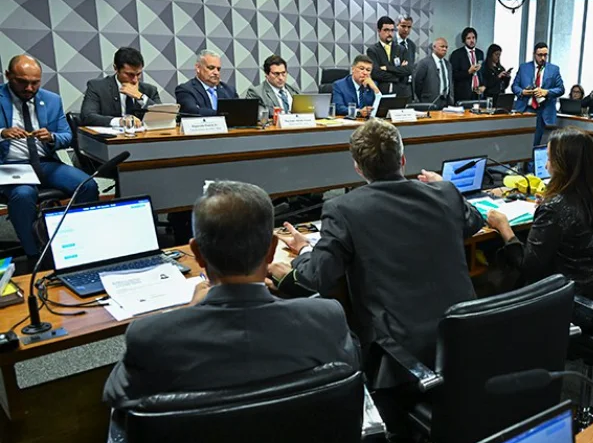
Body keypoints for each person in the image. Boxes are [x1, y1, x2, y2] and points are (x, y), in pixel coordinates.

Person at [269, 119, 483, 443]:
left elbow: (316, 278)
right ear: (403, 159)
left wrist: (304, 251)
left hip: (399, 347)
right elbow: (473, 222)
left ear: (358, 167)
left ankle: (399, 438)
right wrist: (441, 188)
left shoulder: (345, 209)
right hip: (464, 333)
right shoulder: (444, 192)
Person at [103, 180, 358, 405]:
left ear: (197, 253)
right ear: (271, 250)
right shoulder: (325, 317)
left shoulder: (151, 335)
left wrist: (189, 312)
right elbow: (352, 374)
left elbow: (117, 396)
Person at [485, 127, 593, 303]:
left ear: (564, 166)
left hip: (563, 299)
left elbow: (529, 268)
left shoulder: (554, 208)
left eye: (549, 159)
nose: (546, 165)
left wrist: (504, 227)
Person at [0, 55, 99, 259]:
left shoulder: (52, 99)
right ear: (8, 75)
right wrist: (2, 133)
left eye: (35, 82)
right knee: (23, 195)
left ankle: (75, 241)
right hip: (10, 165)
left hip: (44, 162)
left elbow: (67, 136)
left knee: (87, 186)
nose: (29, 88)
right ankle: (35, 254)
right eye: (22, 82)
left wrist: (52, 137)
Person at [80, 47, 160, 127]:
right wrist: (120, 121)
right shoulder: (97, 87)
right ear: (116, 68)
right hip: (110, 134)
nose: (135, 80)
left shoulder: (150, 90)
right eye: (130, 74)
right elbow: (87, 116)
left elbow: (163, 116)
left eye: (138, 74)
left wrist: (140, 97)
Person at [512, 42, 564, 147]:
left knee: (537, 144)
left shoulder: (554, 69)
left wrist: (546, 92)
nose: (543, 58)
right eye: (540, 55)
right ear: (534, 54)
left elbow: (561, 89)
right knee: (521, 143)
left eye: (545, 55)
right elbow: (514, 86)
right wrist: (522, 92)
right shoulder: (524, 68)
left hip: (543, 110)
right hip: (526, 109)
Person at [174, 50, 238, 117]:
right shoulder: (185, 89)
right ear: (198, 68)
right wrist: (223, 114)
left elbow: (239, 111)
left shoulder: (229, 90)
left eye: (218, 69)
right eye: (211, 68)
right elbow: (192, 111)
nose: (216, 72)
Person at [367, 16, 412, 97]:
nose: (389, 33)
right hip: (382, 93)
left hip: (401, 93)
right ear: (379, 31)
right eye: (386, 30)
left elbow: (408, 70)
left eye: (392, 30)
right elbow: (376, 74)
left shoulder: (401, 49)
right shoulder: (372, 50)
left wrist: (387, 68)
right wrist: (398, 76)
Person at [412, 38, 453, 108]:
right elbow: (417, 83)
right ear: (434, 47)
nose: (445, 49)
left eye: (446, 47)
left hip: (446, 102)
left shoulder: (448, 64)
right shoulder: (424, 63)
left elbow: (450, 82)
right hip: (429, 102)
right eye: (442, 46)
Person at [449, 27, 485, 103]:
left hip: (478, 94)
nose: (472, 40)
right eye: (468, 38)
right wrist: (468, 72)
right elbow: (453, 75)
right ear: (464, 40)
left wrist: (483, 85)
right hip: (463, 94)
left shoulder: (480, 53)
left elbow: (483, 73)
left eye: (473, 38)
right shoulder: (457, 54)